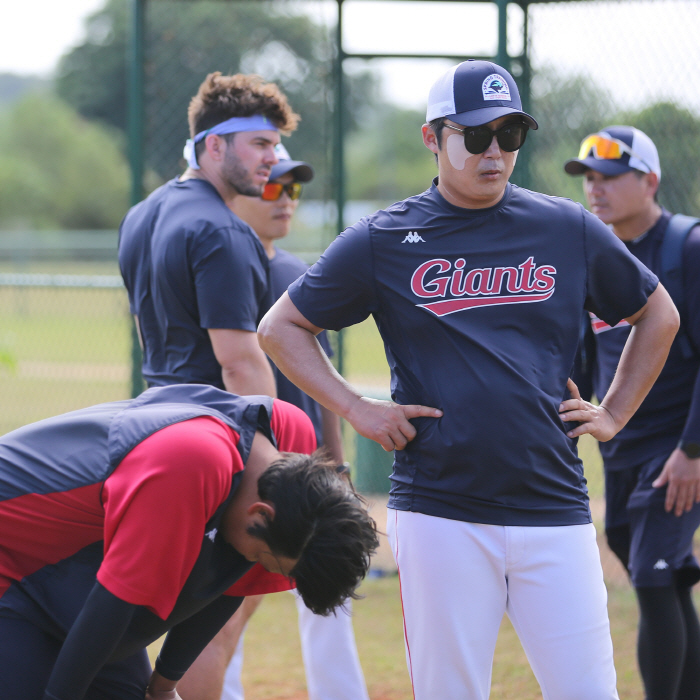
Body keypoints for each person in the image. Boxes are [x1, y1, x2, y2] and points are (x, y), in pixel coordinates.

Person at [258, 59, 680, 700]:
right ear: (434, 138)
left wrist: (615, 412)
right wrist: (355, 408)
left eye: (509, 136)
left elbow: (658, 313)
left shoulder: (563, 227)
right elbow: (281, 327)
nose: (495, 152)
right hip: (440, 511)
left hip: (553, 507)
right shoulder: (386, 238)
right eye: (476, 135)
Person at [0, 383, 378, 700]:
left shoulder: (287, 452)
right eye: (267, 559)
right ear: (259, 515)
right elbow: (114, 602)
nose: (260, 567)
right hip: (14, 562)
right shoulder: (192, 462)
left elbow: (230, 583)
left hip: (68, 575)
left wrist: (163, 687)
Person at [215, 151, 370, 700]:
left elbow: (325, 377)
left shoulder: (296, 270)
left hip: (304, 460)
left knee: (327, 585)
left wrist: (337, 457)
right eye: (274, 187)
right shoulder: (227, 267)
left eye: (295, 190)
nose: (286, 200)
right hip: (254, 468)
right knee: (228, 600)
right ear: (241, 189)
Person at [564, 126, 700, 700]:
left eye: (611, 177)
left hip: (676, 446)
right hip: (622, 447)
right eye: (589, 178)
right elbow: (590, 356)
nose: (596, 189)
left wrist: (693, 452)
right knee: (656, 574)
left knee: (650, 577)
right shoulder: (598, 250)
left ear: (650, 180)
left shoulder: (685, 248)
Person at [118, 71, 300, 397]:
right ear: (215, 145)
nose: (272, 159)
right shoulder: (222, 230)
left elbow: (149, 339)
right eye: (260, 144)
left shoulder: (138, 216)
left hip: (154, 415)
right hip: (211, 426)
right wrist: (273, 447)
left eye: (274, 146)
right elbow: (239, 365)